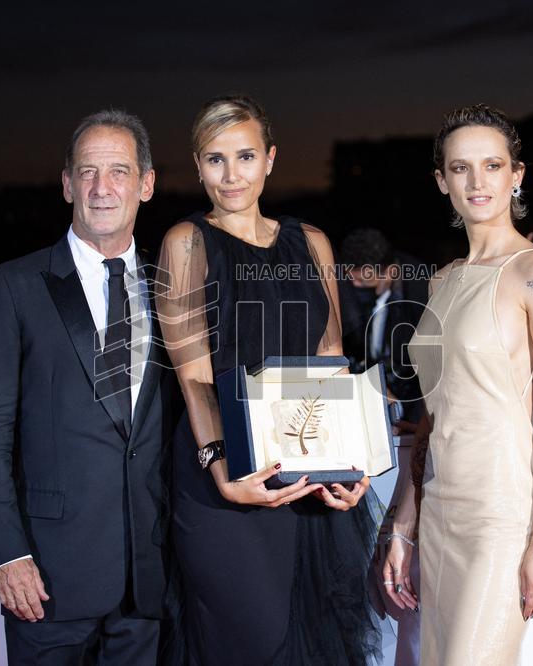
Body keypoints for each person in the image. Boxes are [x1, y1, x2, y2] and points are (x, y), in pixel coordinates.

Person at [155, 94, 382, 666]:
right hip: (226, 480)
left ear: (271, 160)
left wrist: (347, 466)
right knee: (249, 643)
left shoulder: (312, 242)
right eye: (215, 159)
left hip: (309, 471)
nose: (231, 175)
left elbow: (330, 353)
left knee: (321, 642)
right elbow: (195, 372)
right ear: (198, 165)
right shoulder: (185, 242)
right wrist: (221, 468)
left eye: (246, 156)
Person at [0, 110, 179, 664]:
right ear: (66, 184)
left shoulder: (173, 291)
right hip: (46, 583)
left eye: (119, 172)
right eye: (87, 172)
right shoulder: (12, 287)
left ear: (146, 184)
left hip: (150, 582)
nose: (102, 189)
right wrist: (7, 553)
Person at [383, 104, 533, 665]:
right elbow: (432, 419)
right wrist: (403, 525)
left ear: (517, 175)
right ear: (441, 181)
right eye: (461, 167)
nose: (478, 181)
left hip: (501, 514)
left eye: (492, 165)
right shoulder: (443, 279)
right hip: (440, 511)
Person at [338, 227, 430, 422]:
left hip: (416, 399)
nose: (354, 286)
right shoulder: (346, 283)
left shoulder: (421, 295)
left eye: (363, 281)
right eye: (350, 279)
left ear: (389, 272)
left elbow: (430, 368)